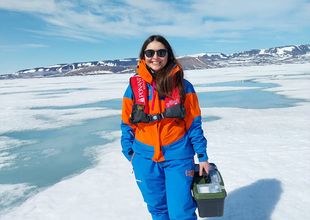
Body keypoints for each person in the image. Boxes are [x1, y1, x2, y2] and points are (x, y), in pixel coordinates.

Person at [121, 34, 209, 220]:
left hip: (177, 157)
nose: (155, 57)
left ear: (168, 55)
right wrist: (130, 153)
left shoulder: (184, 86)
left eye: (161, 52)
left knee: (181, 212)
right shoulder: (134, 88)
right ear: (143, 56)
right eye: (150, 52)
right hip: (144, 159)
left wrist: (202, 156)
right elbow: (126, 124)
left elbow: (194, 124)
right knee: (158, 210)